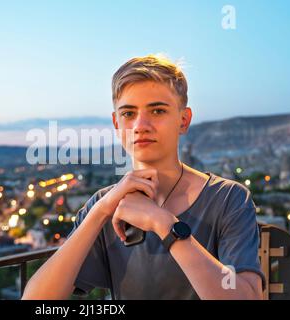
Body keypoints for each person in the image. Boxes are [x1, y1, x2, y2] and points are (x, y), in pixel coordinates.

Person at [22, 54, 264, 300]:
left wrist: (164, 225)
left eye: (157, 110)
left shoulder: (227, 199)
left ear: (183, 120)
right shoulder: (103, 205)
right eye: (128, 114)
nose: (140, 125)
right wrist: (101, 211)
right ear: (116, 123)